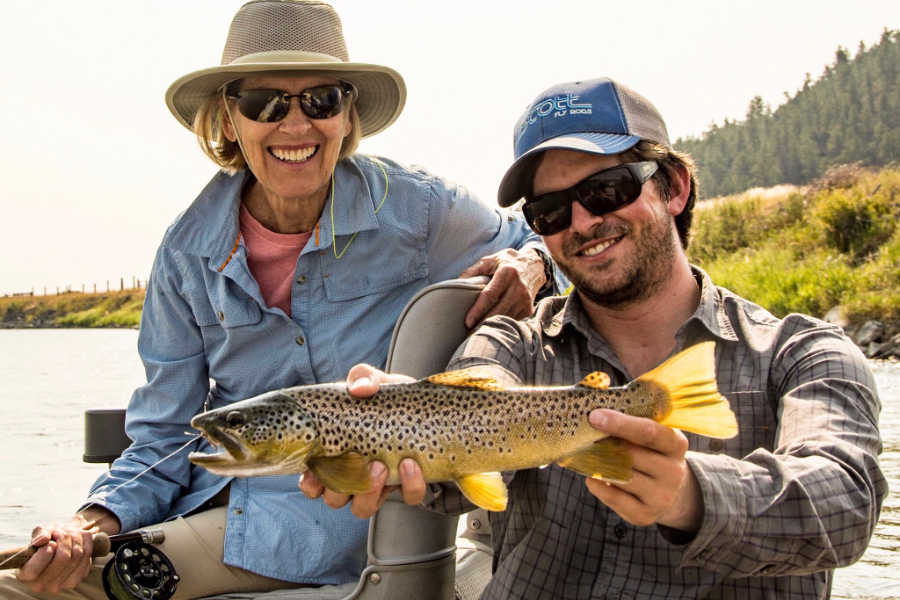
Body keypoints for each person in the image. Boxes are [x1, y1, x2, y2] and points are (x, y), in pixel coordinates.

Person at [3, 2, 560, 598]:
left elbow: (546, 242)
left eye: (320, 100)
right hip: (233, 516)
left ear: (347, 115)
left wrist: (530, 264)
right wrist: (88, 524)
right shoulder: (184, 254)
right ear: (227, 119)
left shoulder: (421, 209)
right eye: (264, 103)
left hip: (390, 526)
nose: (295, 127)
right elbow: (164, 436)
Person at [304, 77, 888, 599]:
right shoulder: (513, 343)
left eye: (606, 190)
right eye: (551, 212)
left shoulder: (803, 354)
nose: (582, 223)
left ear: (675, 188)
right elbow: (460, 481)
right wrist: (388, 426)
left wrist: (691, 495)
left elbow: (846, 504)